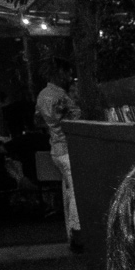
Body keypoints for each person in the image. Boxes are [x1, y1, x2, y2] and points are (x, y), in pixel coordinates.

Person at [35, 58, 82, 252]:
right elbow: (71, 121)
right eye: (68, 72)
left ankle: (72, 233)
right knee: (76, 193)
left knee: (68, 190)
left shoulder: (43, 95)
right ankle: (78, 232)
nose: (70, 77)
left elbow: (38, 121)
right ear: (60, 73)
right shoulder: (58, 96)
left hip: (56, 147)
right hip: (67, 147)